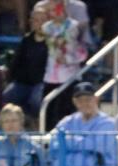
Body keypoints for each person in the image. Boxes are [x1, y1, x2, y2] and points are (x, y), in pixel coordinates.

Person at [40, 0, 89, 128]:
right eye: (52, 10)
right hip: (50, 77)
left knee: (66, 115)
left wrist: (68, 59)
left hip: (69, 78)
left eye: (58, 9)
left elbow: (83, 52)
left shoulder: (74, 26)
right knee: (49, 116)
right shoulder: (46, 28)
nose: (56, 13)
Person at [2, 5, 48, 117]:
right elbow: (16, 62)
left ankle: (37, 125)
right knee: (6, 97)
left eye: (43, 20)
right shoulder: (26, 40)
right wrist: (10, 79)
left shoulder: (52, 41)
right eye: (37, 20)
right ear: (31, 22)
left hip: (42, 82)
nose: (40, 24)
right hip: (23, 82)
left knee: (36, 100)